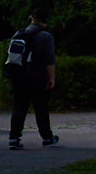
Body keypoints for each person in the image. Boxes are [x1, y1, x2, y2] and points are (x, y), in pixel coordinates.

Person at [7, 9, 58, 150]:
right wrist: (51, 78)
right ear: (45, 20)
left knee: (19, 107)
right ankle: (47, 138)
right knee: (41, 108)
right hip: (37, 77)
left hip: (19, 76)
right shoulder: (45, 36)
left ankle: (14, 139)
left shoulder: (19, 34)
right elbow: (49, 59)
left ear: (31, 19)